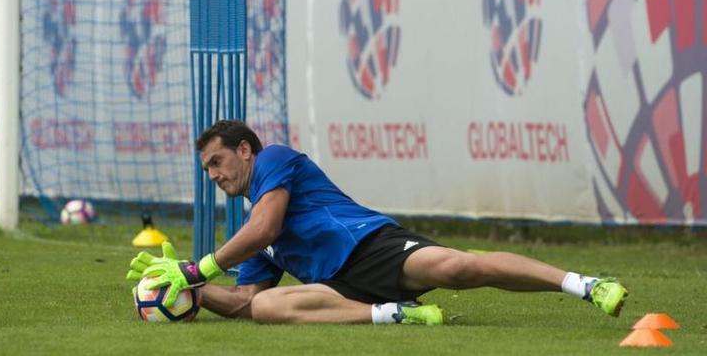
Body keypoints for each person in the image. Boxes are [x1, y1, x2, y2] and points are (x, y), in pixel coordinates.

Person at [126, 120, 628, 325]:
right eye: (207, 170)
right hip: (340, 291)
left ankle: (583, 284)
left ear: (243, 150)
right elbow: (242, 299)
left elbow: (267, 230)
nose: (214, 175)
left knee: (459, 269)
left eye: (217, 162)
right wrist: (183, 291)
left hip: (370, 247)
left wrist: (199, 269)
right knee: (265, 308)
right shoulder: (246, 227)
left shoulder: (274, 159)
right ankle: (397, 315)